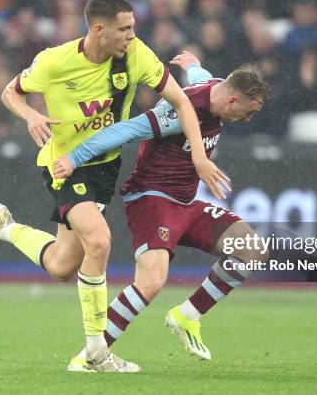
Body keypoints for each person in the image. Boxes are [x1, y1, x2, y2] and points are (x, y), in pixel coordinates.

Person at [0, 0, 228, 373]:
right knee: (100, 240)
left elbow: (184, 101)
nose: (132, 35)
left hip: (104, 168)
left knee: (61, 265)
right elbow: (11, 92)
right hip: (64, 165)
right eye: (125, 28)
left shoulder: (136, 55)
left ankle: (5, 228)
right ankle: (96, 354)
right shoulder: (54, 61)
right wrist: (30, 116)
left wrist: (200, 158)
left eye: (133, 27)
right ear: (100, 30)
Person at [52, 51, 270, 370]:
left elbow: (201, 78)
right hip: (151, 199)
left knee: (250, 248)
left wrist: (192, 64)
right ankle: (89, 357)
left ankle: (187, 316)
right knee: (152, 281)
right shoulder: (177, 113)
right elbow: (125, 132)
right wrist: (75, 157)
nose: (247, 120)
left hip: (185, 204)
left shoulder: (213, 87)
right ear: (234, 101)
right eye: (249, 112)